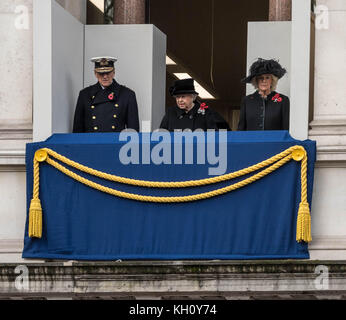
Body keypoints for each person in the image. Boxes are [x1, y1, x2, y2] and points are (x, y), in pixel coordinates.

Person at [73, 56, 139, 133]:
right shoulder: (85, 95)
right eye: (101, 73)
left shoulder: (127, 95)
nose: (105, 77)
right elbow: (77, 129)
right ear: (95, 73)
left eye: (108, 73)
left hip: (115, 143)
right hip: (91, 143)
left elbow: (133, 131)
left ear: (114, 72)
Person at [237, 58, 289, 131]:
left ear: (272, 80)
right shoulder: (247, 100)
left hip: (274, 142)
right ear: (256, 81)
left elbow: (286, 129)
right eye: (260, 78)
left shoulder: (283, 100)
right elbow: (241, 128)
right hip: (252, 142)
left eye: (267, 78)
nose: (264, 80)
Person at [159, 78, 230, 131]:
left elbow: (216, 136)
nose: (180, 100)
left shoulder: (206, 113)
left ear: (193, 97)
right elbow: (162, 134)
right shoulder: (171, 113)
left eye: (183, 96)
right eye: (177, 97)